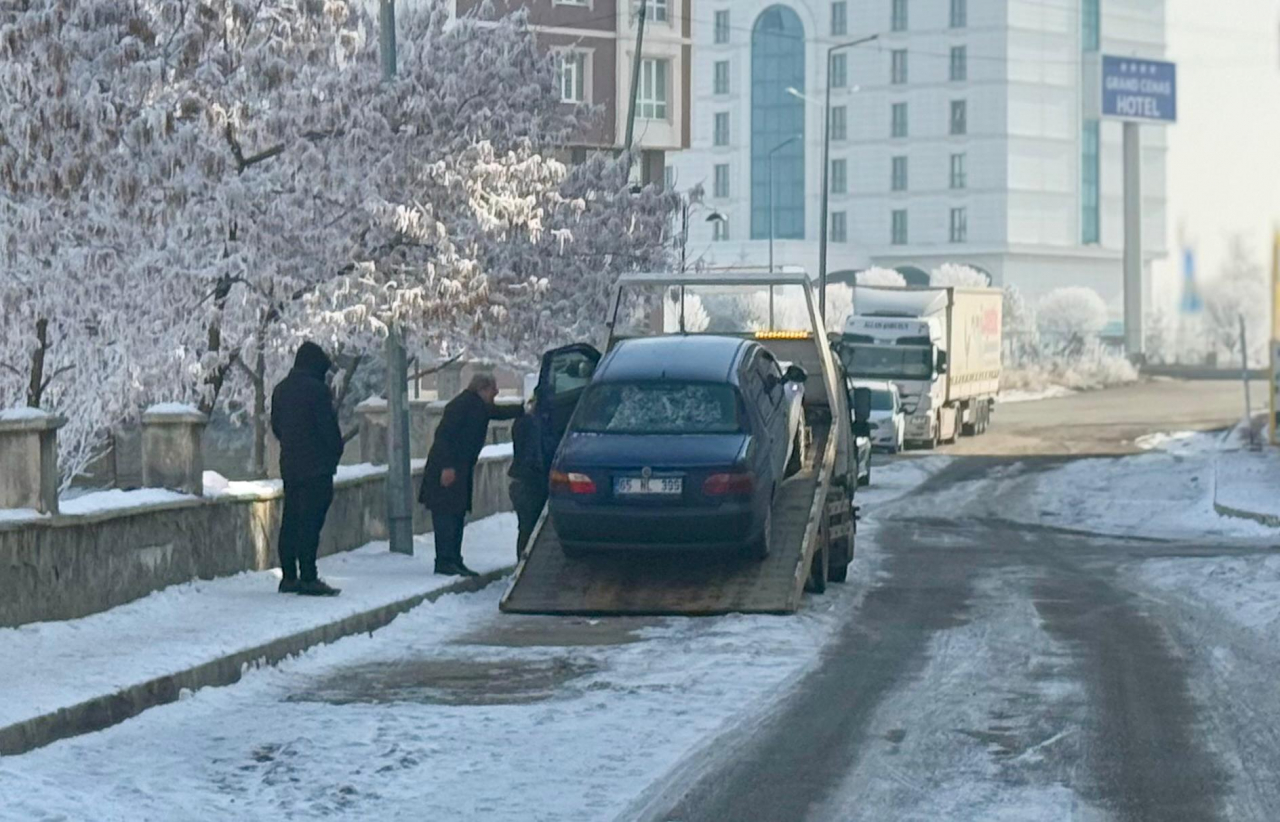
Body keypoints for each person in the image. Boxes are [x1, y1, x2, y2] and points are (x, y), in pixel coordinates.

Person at [419, 373, 523, 576]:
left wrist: (522, 410)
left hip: (460, 468)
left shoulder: (478, 405)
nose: (496, 393)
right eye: (493, 389)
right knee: (446, 514)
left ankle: (454, 559)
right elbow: (444, 437)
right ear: (482, 388)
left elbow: (498, 412)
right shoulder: (461, 406)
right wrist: (447, 467)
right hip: (446, 470)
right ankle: (445, 561)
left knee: (457, 513)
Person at [270, 342, 344, 597]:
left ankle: (289, 576)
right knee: (311, 522)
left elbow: (276, 427)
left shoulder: (281, 390)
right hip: (317, 467)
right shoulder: (318, 391)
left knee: (291, 519)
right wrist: (334, 452)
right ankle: (309, 576)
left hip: (291, 466)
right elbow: (328, 429)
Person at [508, 396, 548, 561]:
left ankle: (522, 561)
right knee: (530, 526)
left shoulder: (524, 422)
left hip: (521, 479)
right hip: (530, 481)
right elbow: (533, 454)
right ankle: (524, 561)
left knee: (526, 527)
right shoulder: (532, 424)